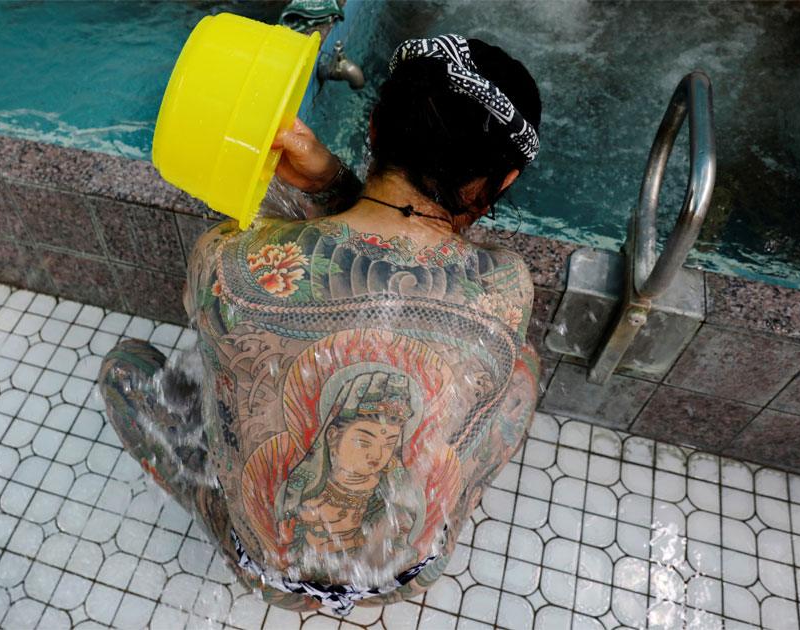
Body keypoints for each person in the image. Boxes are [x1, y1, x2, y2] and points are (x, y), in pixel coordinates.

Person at [100, 34, 541, 615]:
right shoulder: (507, 289)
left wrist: (331, 181)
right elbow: (403, 263)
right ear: (504, 180)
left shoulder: (228, 264)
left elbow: (364, 252)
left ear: (375, 129)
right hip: (407, 574)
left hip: (266, 572)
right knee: (522, 366)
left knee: (125, 370)